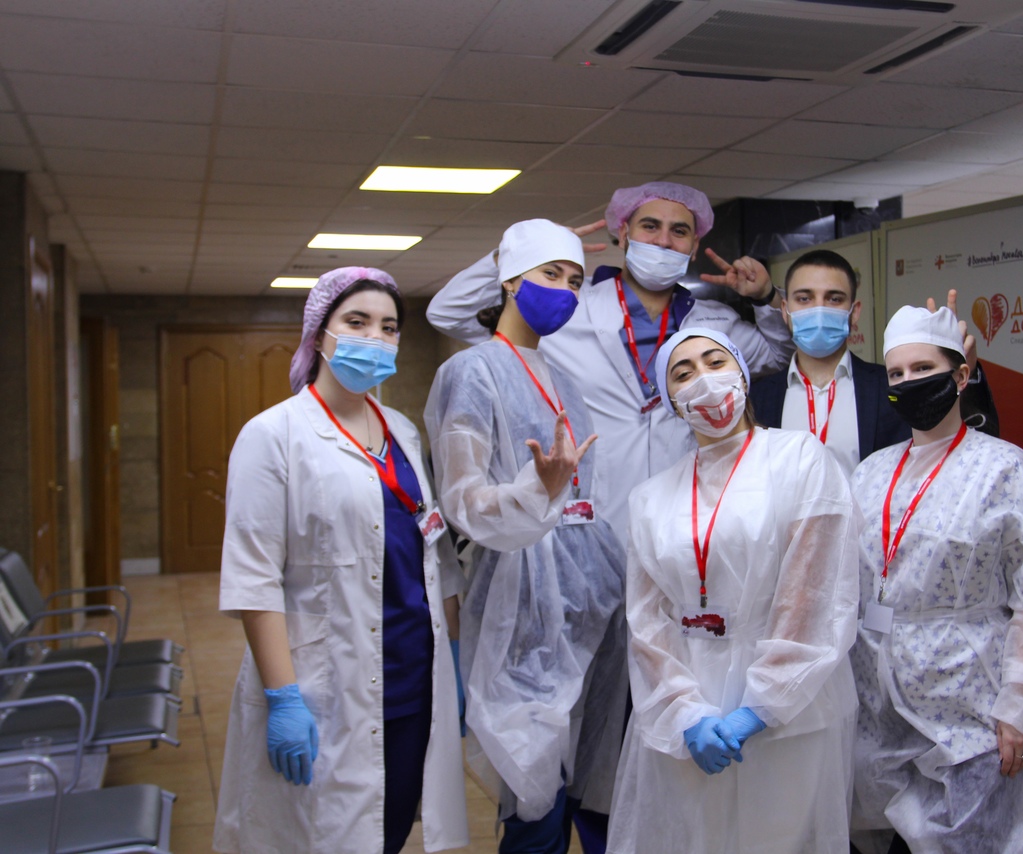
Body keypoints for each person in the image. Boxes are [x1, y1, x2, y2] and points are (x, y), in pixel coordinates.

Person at [428, 181, 791, 848]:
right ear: (622, 234)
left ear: (695, 245)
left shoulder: (714, 324)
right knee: (553, 735)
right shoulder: (571, 314)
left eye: (679, 231)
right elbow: (451, 312)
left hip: (673, 551)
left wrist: (766, 297)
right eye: (648, 226)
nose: (662, 241)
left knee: (624, 733)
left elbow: (775, 354)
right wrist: (531, 252)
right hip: (568, 554)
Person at [215, 267, 468, 854]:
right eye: (357, 322)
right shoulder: (272, 435)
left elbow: (434, 554)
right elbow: (254, 579)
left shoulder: (400, 430)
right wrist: (283, 698)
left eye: (388, 327)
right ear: (319, 333)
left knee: (391, 826)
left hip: (413, 678)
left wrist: (453, 665)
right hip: (323, 685)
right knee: (323, 836)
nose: (374, 338)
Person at [848, 305, 1023, 854]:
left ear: (961, 376)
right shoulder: (870, 473)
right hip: (877, 704)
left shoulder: (1006, 470)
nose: (909, 382)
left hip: (970, 707)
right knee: (879, 839)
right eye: (897, 373)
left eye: (923, 369)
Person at [607, 327, 862, 854]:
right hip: (689, 708)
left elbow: (814, 594)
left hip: (790, 709)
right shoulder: (650, 499)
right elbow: (647, 623)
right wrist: (685, 712)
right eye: (683, 373)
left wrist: (761, 706)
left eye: (715, 361)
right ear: (671, 402)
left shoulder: (800, 458)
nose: (703, 380)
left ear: (743, 375)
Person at [424, 220, 627, 854]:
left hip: (591, 596)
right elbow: (464, 500)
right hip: (522, 598)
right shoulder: (472, 371)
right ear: (510, 282)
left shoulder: (562, 376)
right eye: (550, 275)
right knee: (534, 787)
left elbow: (583, 494)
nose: (564, 290)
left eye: (575, 280)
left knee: (588, 777)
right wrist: (534, 493)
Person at [749, 250, 998, 477]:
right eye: (804, 299)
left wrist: (957, 375)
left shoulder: (892, 386)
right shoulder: (758, 398)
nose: (819, 311)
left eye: (834, 299)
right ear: (785, 310)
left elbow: (971, 448)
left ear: (855, 311)